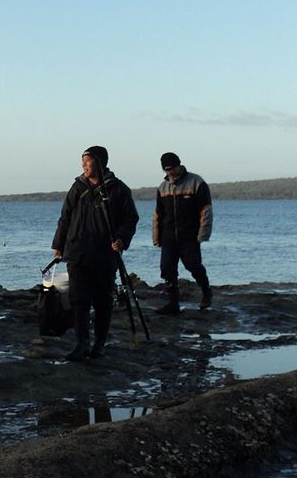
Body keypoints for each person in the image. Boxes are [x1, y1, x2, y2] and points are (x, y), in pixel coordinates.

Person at [51, 146, 139, 361]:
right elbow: (65, 217)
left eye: (87, 162)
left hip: (104, 254)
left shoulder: (118, 189)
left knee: (102, 300)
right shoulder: (77, 187)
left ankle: (99, 343)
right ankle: (81, 344)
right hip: (77, 252)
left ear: (100, 162)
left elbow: (131, 219)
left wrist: (121, 239)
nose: (84, 166)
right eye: (82, 162)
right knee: (78, 300)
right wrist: (58, 245)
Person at [153, 152, 213, 313]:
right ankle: (173, 303)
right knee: (166, 268)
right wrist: (156, 237)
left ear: (179, 165)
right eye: (166, 170)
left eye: (171, 168)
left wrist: (203, 234)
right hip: (168, 236)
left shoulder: (196, 182)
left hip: (190, 235)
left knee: (193, 264)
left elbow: (206, 210)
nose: (169, 173)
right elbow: (158, 214)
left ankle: (206, 291)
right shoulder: (162, 187)